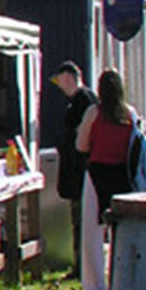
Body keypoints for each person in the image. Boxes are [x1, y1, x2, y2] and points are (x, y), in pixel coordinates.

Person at [75, 68, 143, 290]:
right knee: (123, 230)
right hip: (123, 175)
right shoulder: (130, 114)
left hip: (97, 173)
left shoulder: (93, 112)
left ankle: (94, 285)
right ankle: (126, 279)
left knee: (92, 232)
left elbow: (81, 145)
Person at [51, 61, 97, 279]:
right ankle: (79, 265)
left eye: (60, 80)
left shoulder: (85, 101)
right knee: (77, 220)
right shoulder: (77, 101)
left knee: (82, 221)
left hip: (81, 171)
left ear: (68, 77)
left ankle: (82, 267)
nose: (59, 85)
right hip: (74, 170)